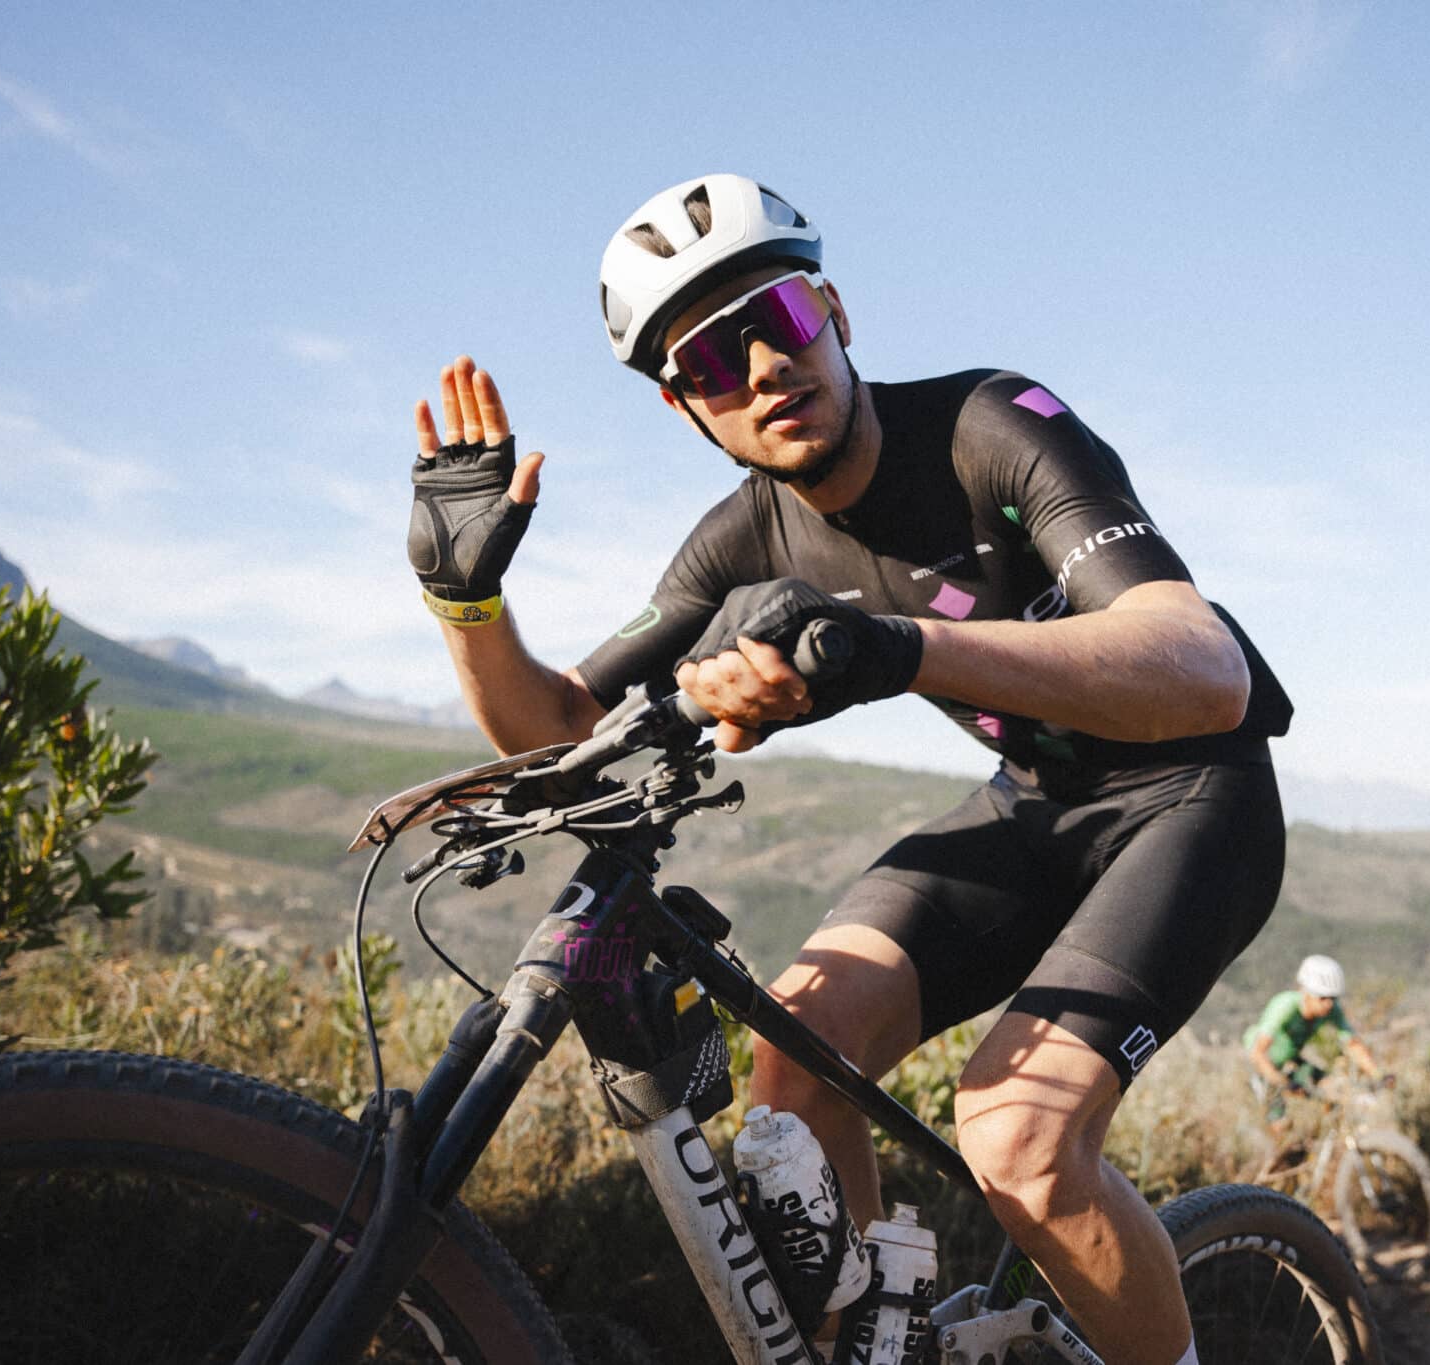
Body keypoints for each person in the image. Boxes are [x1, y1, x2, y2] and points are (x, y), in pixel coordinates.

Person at [404, 174, 1293, 1365]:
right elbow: (562, 729)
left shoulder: (988, 423)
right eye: (711, 360)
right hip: (1036, 804)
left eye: (779, 316)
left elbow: (1200, 665)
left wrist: (894, 647)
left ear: (834, 311)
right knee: (795, 1060)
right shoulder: (741, 540)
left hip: (1192, 798)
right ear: (684, 409)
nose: (763, 366)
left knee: (1016, 1138)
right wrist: (465, 602)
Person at [1242, 954, 1379, 1116]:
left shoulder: (1332, 1010)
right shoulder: (1285, 1005)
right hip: (1263, 1065)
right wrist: (1283, 1083)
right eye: (1322, 997)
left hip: (1290, 1061)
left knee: (1332, 1087)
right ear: (1306, 992)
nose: (1328, 1004)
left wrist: (1378, 1075)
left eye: (1333, 998)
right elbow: (1258, 1053)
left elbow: (1353, 1044)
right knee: (1279, 1122)